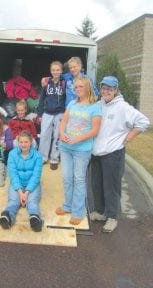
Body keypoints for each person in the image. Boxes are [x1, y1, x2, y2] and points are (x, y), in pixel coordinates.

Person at [90, 76, 150, 232]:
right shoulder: (98, 105)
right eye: (104, 88)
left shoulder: (123, 107)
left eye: (110, 89)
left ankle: (112, 217)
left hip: (113, 153)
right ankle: (100, 211)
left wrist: (129, 136)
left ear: (116, 90)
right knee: (97, 184)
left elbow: (144, 122)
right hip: (96, 153)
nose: (106, 91)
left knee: (111, 187)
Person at [56, 76, 102, 225]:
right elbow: (63, 121)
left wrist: (77, 139)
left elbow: (95, 130)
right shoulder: (72, 103)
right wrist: (62, 134)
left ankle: (78, 212)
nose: (78, 89)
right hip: (65, 148)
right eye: (76, 87)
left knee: (79, 179)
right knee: (66, 178)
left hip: (82, 149)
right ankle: (67, 205)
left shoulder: (95, 107)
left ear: (87, 87)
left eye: (80, 86)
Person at [0, 130, 43, 232]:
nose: (23, 144)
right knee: (13, 201)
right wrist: (20, 192)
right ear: (18, 142)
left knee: (32, 202)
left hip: (32, 185)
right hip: (17, 184)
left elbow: (36, 176)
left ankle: (35, 219)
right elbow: (13, 174)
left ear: (31, 142)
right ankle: (8, 218)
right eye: (21, 142)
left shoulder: (38, 156)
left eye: (26, 142)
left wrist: (26, 193)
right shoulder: (12, 154)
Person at [37, 61, 66, 169]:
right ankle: (43, 157)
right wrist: (40, 113)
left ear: (61, 71)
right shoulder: (46, 83)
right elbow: (42, 98)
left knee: (57, 136)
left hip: (60, 113)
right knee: (44, 135)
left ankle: (54, 158)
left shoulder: (64, 82)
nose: (55, 72)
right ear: (50, 71)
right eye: (53, 70)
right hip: (47, 112)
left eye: (58, 70)